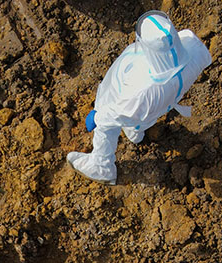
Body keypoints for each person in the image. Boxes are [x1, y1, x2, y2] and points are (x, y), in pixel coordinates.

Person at [66, 11, 213, 185]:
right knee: (142, 120)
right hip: (157, 104)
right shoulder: (192, 48)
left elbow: (117, 113)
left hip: (130, 102)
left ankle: (102, 166)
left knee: (108, 123)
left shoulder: (144, 91)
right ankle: (135, 133)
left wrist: (97, 116)